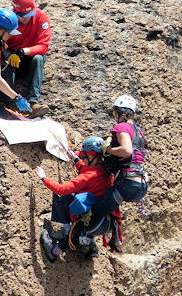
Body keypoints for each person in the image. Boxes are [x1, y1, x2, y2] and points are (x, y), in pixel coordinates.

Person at [35, 136, 119, 262]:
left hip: (93, 224)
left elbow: (61, 189)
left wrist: (44, 178)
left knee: (63, 197)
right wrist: (76, 159)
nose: (83, 159)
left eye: (84, 156)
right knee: (89, 207)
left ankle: (58, 246)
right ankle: (91, 245)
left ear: (91, 156)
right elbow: (89, 170)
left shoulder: (88, 176)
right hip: (106, 223)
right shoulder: (105, 171)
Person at [85, 94, 149, 234]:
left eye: (116, 113)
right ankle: (88, 243)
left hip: (128, 184)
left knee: (93, 213)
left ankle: (61, 246)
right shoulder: (138, 131)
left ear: (123, 113)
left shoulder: (121, 127)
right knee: (106, 209)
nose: (115, 116)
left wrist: (108, 149)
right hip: (142, 184)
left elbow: (126, 150)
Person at [0, 0, 52, 118]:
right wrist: (8, 51)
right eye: (23, 16)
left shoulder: (40, 17)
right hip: (12, 58)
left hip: (29, 57)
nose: (27, 18)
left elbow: (43, 47)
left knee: (38, 59)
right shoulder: (9, 20)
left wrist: (23, 51)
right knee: (6, 60)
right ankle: (5, 101)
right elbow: (0, 41)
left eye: (30, 14)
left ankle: (34, 103)